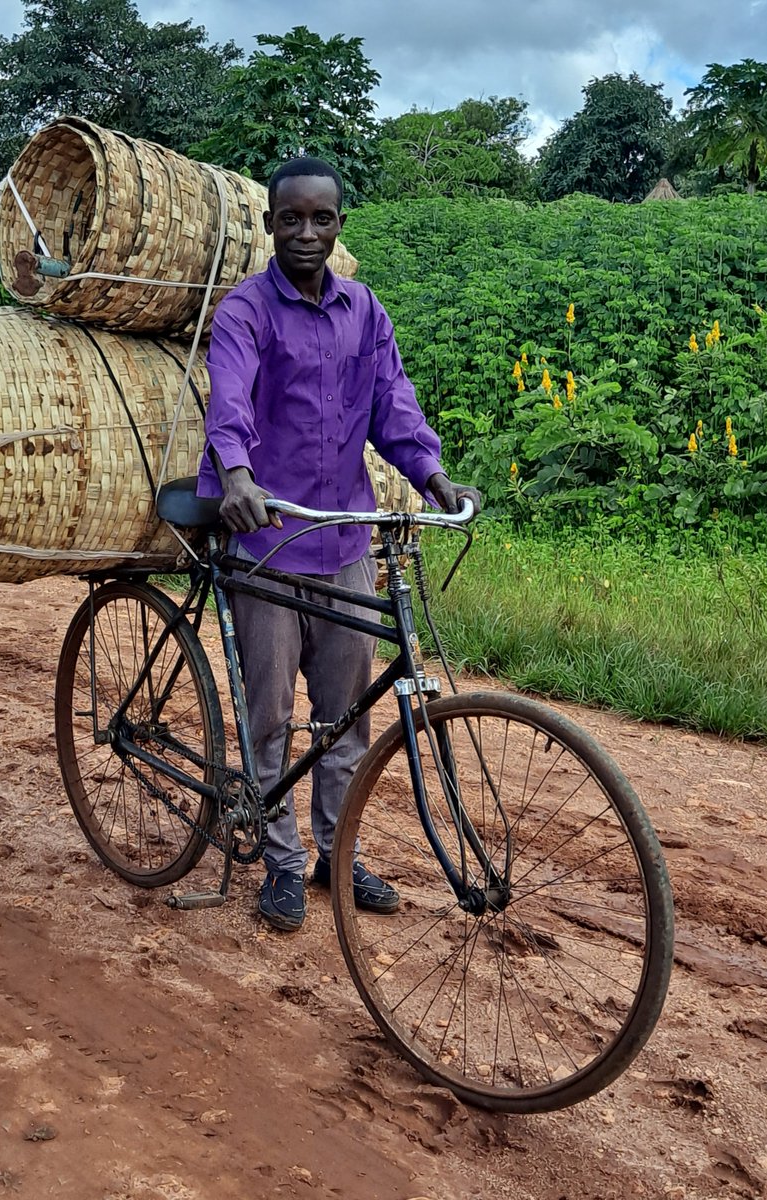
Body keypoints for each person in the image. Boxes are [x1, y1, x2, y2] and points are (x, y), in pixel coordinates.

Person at [196, 157, 480, 932]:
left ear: (339, 226)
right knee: (270, 713)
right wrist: (238, 476)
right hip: (267, 534)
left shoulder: (365, 311)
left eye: (321, 219)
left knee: (346, 714)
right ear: (269, 226)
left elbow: (394, 406)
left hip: (345, 534)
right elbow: (229, 403)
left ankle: (335, 850)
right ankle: (281, 861)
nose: (306, 233)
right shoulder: (246, 312)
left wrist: (433, 475)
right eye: (291, 219)